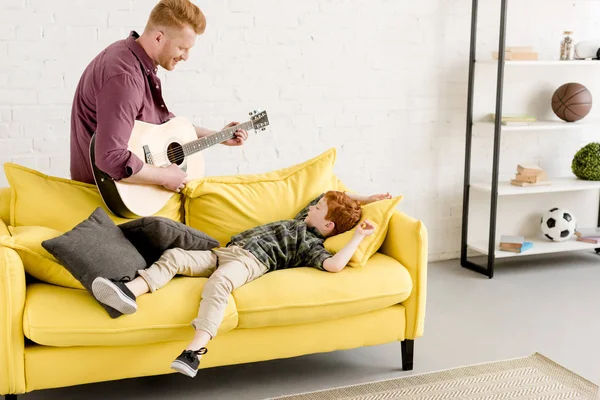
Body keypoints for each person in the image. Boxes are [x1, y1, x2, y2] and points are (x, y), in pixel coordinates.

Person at [90, 190, 392, 377]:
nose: (312, 206)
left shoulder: (309, 242)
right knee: (176, 256)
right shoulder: (305, 219)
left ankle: (194, 352)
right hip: (224, 251)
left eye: (318, 209)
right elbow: (330, 193)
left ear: (327, 226)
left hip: (249, 262)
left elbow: (334, 265)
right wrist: (366, 200)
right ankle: (129, 291)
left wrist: (358, 235)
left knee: (219, 284)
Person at [70, 0, 248, 192]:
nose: (186, 57)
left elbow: (164, 126)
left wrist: (219, 136)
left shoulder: (132, 60)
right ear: (158, 38)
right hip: (105, 197)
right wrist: (165, 176)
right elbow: (110, 158)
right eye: (182, 48)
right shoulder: (125, 78)